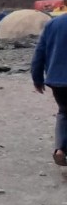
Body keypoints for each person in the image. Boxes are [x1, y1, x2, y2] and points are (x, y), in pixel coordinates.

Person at [31, 14, 67, 166]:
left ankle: (61, 149)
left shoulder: (53, 24)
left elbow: (40, 52)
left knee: (64, 112)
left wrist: (37, 78)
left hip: (58, 80)